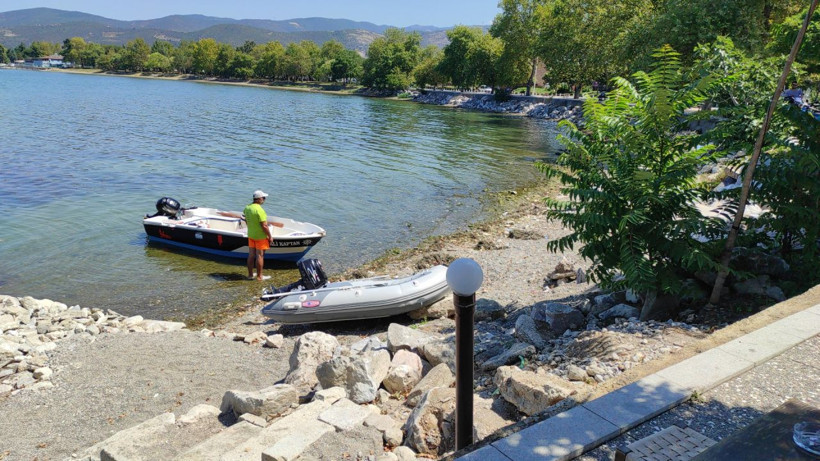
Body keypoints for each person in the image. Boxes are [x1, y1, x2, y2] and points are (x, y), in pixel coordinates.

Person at [244, 190, 274, 281]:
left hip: (251, 235)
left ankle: (250, 275)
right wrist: (270, 236)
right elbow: (264, 225)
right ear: (259, 199)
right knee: (260, 256)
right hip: (260, 236)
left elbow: (246, 220)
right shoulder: (260, 210)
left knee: (251, 255)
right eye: (263, 198)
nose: (264, 200)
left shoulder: (247, 207)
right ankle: (259, 277)